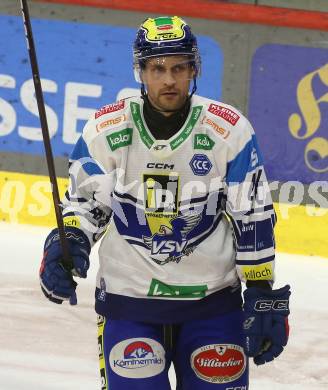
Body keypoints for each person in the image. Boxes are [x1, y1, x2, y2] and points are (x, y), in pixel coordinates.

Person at [39, 15, 291, 390]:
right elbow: (83, 205)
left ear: (194, 70)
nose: (169, 79)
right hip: (129, 304)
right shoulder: (106, 130)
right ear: (140, 71)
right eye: (157, 68)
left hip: (213, 306)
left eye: (179, 67)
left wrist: (260, 290)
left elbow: (251, 216)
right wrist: (67, 241)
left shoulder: (229, 129)